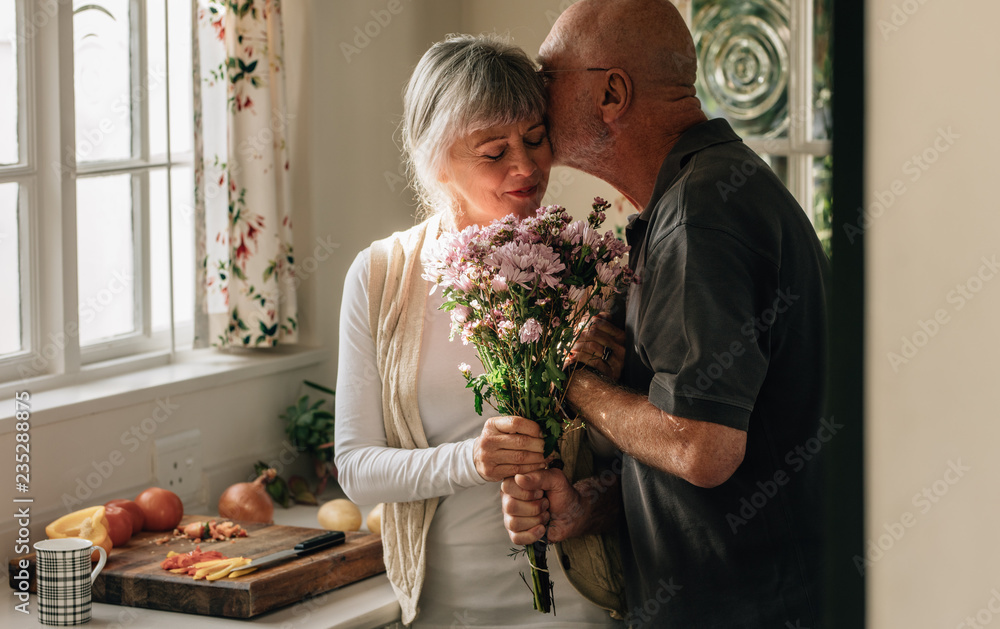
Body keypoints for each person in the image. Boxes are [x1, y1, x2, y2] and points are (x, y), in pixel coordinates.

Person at [501, 1, 830, 627]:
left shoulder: (702, 215)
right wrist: (587, 509)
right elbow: (702, 448)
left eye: (549, 78)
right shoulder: (697, 199)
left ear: (612, 92)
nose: (535, 98)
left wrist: (570, 381)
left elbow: (702, 449)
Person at [334, 34, 622, 628]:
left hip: (580, 606)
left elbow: (642, 463)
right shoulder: (384, 278)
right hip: (447, 608)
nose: (526, 167)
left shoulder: (587, 271)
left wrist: (600, 386)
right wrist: (473, 459)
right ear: (436, 161)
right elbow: (358, 470)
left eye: (536, 139)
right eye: (494, 151)